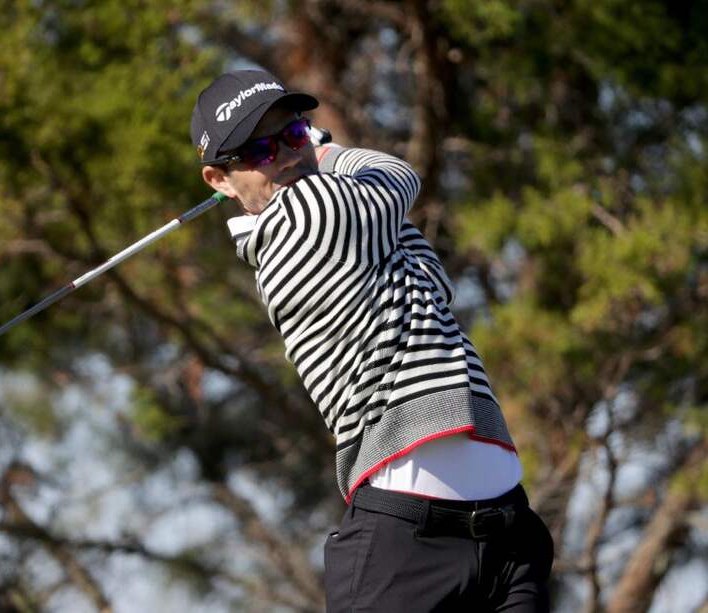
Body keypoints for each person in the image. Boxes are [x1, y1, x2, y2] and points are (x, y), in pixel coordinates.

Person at [191, 69, 554, 612]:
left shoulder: (357, 227)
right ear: (220, 180)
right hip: (407, 545)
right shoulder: (304, 214)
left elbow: (432, 276)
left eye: (293, 134)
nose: (289, 157)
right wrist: (329, 151)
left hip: (507, 535)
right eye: (261, 151)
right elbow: (397, 174)